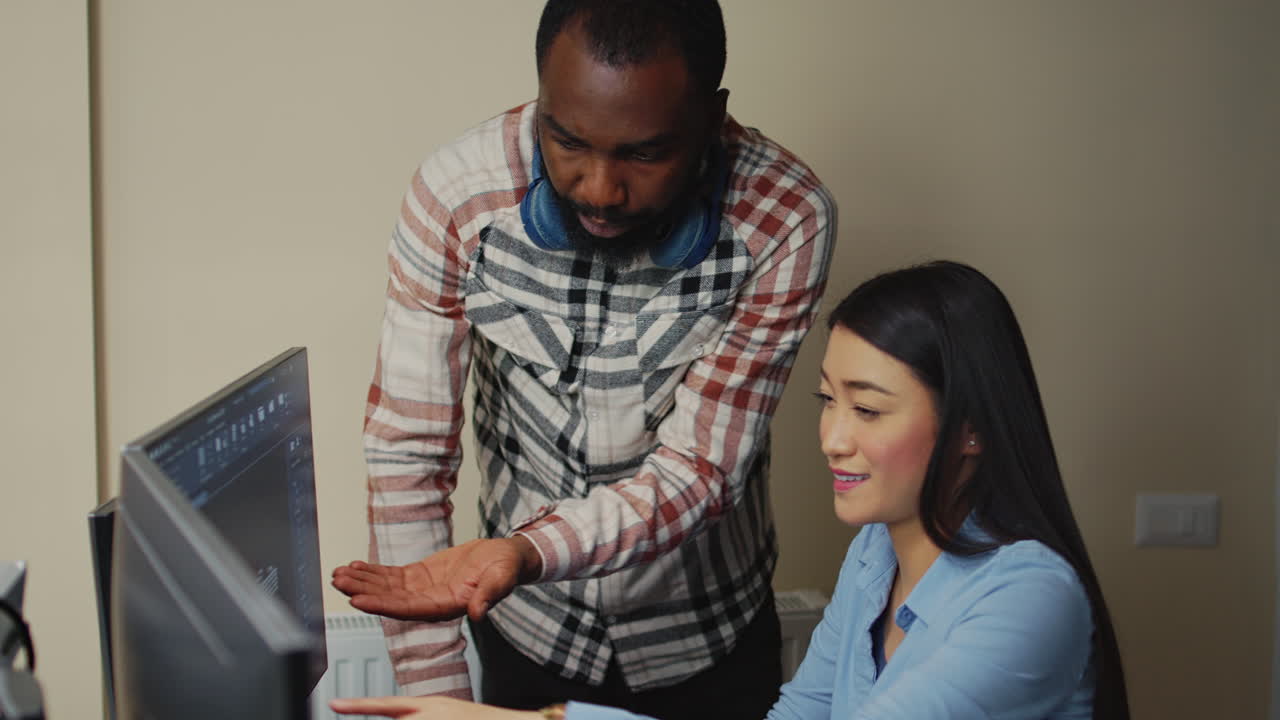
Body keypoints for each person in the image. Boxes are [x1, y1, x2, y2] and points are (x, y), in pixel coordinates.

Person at [334, 260, 1131, 720]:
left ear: (971, 429)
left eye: (867, 409)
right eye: (827, 401)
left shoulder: (1032, 599)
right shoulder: (875, 557)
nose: (832, 437)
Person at [343, 0, 836, 717]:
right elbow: (407, 454)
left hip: (709, 637)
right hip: (526, 632)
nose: (599, 189)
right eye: (567, 141)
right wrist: (438, 700)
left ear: (712, 117)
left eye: (645, 153)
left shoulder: (786, 217)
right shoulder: (456, 195)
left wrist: (528, 551)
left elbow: (701, 467)